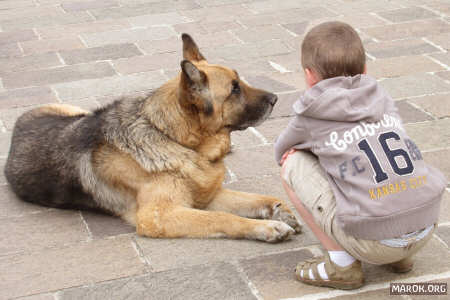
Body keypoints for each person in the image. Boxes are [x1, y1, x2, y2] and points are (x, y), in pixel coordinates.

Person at [275, 21, 447, 290]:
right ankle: (402, 258)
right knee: (387, 161)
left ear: (309, 76)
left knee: (292, 163)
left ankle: (341, 264)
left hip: (374, 244)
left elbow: (281, 151)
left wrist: (321, 147)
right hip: (426, 227)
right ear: (365, 69)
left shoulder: (311, 113)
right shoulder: (383, 98)